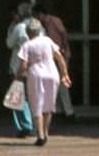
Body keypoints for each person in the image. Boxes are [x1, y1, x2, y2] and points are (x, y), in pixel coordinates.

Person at [17, 18, 71, 146]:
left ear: (28, 33)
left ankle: (40, 135)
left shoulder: (27, 45)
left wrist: (17, 77)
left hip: (36, 76)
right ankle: (46, 133)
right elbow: (59, 58)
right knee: (48, 106)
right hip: (52, 75)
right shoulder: (47, 40)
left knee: (37, 106)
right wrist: (65, 74)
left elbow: (23, 65)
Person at [33, 3, 74, 120]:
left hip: (60, 54)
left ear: (41, 13)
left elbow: (63, 33)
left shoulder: (54, 21)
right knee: (53, 83)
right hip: (50, 57)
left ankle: (69, 112)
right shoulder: (43, 25)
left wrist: (64, 48)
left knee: (62, 83)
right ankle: (60, 110)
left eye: (37, 15)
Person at [6, 3, 35, 137]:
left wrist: (11, 27)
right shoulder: (38, 27)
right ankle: (35, 125)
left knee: (17, 96)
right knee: (33, 96)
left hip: (19, 66)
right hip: (35, 67)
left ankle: (24, 126)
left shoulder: (19, 27)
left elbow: (9, 44)